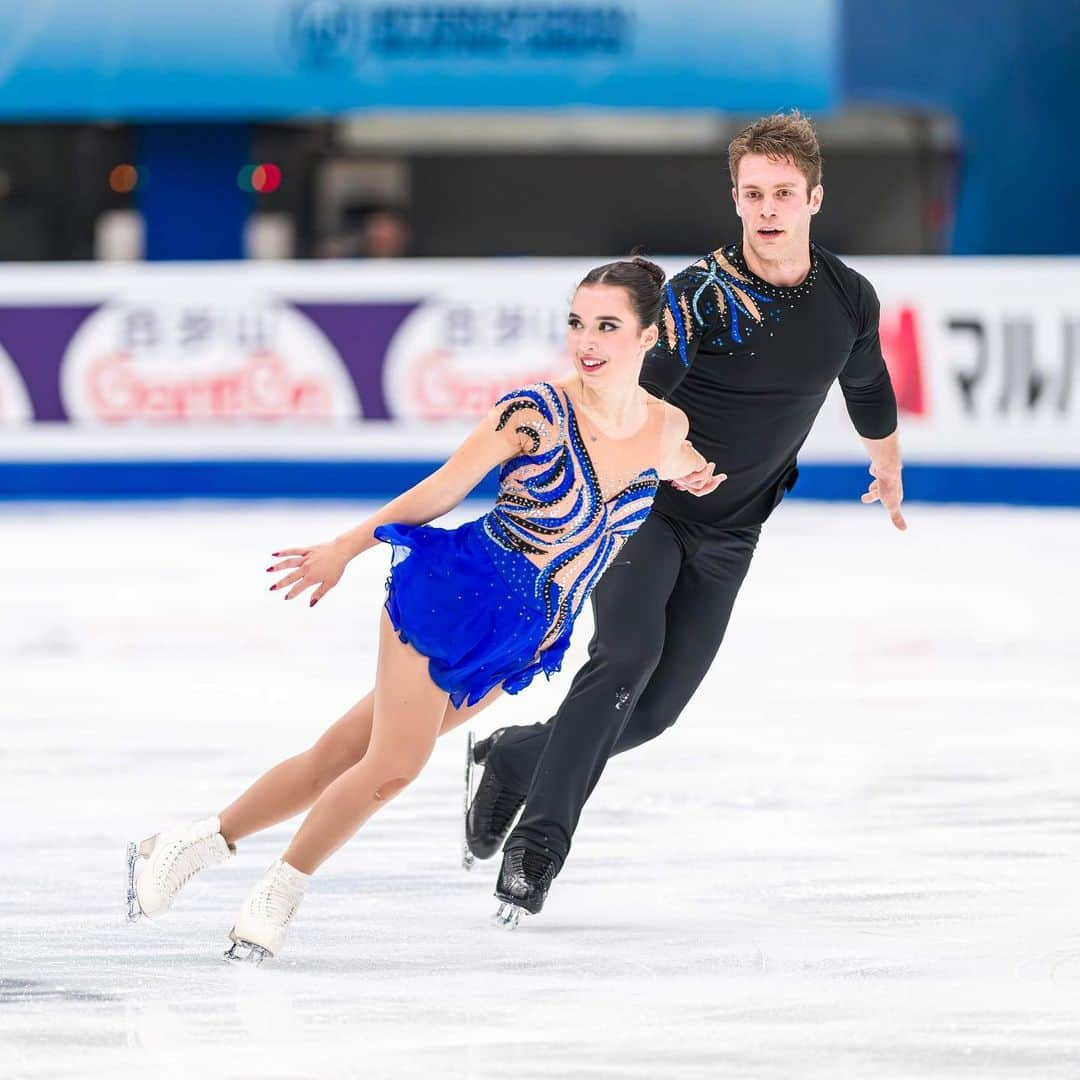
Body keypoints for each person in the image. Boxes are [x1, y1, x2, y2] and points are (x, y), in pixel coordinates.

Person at [124, 257, 711, 961]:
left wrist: (713, 473)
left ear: (649, 336)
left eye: (608, 326)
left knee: (335, 759)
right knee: (394, 765)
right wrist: (347, 546)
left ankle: (183, 846)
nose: (587, 340)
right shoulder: (535, 412)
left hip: (526, 635)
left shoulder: (667, 427)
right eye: (577, 322)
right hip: (459, 596)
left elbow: (681, 465)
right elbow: (441, 489)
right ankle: (276, 896)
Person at [466, 111, 906, 922]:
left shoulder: (848, 297)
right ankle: (538, 851)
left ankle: (515, 754)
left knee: (654, 714)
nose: (767, 209)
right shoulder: (699, 296)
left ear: (814, 197)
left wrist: (886, 460)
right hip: (647, 512)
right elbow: (627, 398)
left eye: (782, 193)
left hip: (734, 530)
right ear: (734, 199)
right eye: (752, 194)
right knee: (624, 660)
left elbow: (867, 382)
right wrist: (664, 455)